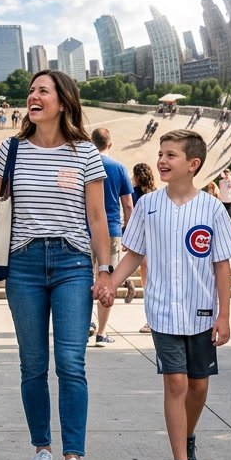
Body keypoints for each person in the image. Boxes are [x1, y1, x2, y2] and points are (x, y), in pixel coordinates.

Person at [0, 69, 109, 460]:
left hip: (72, 264)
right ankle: (42, 449)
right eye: (30, 91)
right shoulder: (10, 150)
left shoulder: (85, 154)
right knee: (32, 364)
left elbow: (97, 218)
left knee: (71, 364)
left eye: (42, 90)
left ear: (62, 101)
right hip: (23, 265)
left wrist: (104, 269)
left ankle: (74, 458)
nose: (33, 96)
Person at [97, 129, 231, 460]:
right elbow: (134, 253)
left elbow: (222, 265)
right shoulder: (148, 205)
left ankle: (188, 435)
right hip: (163, 312)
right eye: (161, 154)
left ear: (192, 165)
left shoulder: (211, 208)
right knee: (175, 383)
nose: (162, 160)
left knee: (199, 386)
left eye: (171, 155)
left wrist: (224, 315)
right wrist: (111, 281)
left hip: (202, 311)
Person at [89, 127, 133, 346]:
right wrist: (130, 235)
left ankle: (86, 323)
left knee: (84, 279)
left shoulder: (85, 164)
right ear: (110, 144)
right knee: (108, 281)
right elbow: (127, 204)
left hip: (84, 229)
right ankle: (102, 332)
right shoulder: (119, 167)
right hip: (112, 231)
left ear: (91, 142)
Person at [132, 162, 157, 332]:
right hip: (157, 242)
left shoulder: (134, 194)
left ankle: (151, 321)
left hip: (143, 243)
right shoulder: (156, 194)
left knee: (147, 286)